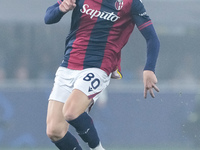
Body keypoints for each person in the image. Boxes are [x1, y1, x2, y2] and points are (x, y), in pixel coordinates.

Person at [44, 0, 160, 149]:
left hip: (98, 67)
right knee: (54, 131)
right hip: (68, 65)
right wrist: (61, 9)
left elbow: (152, 38)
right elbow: (48, 18)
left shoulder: (130, 3)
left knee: (71, 112)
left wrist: (149, 68)